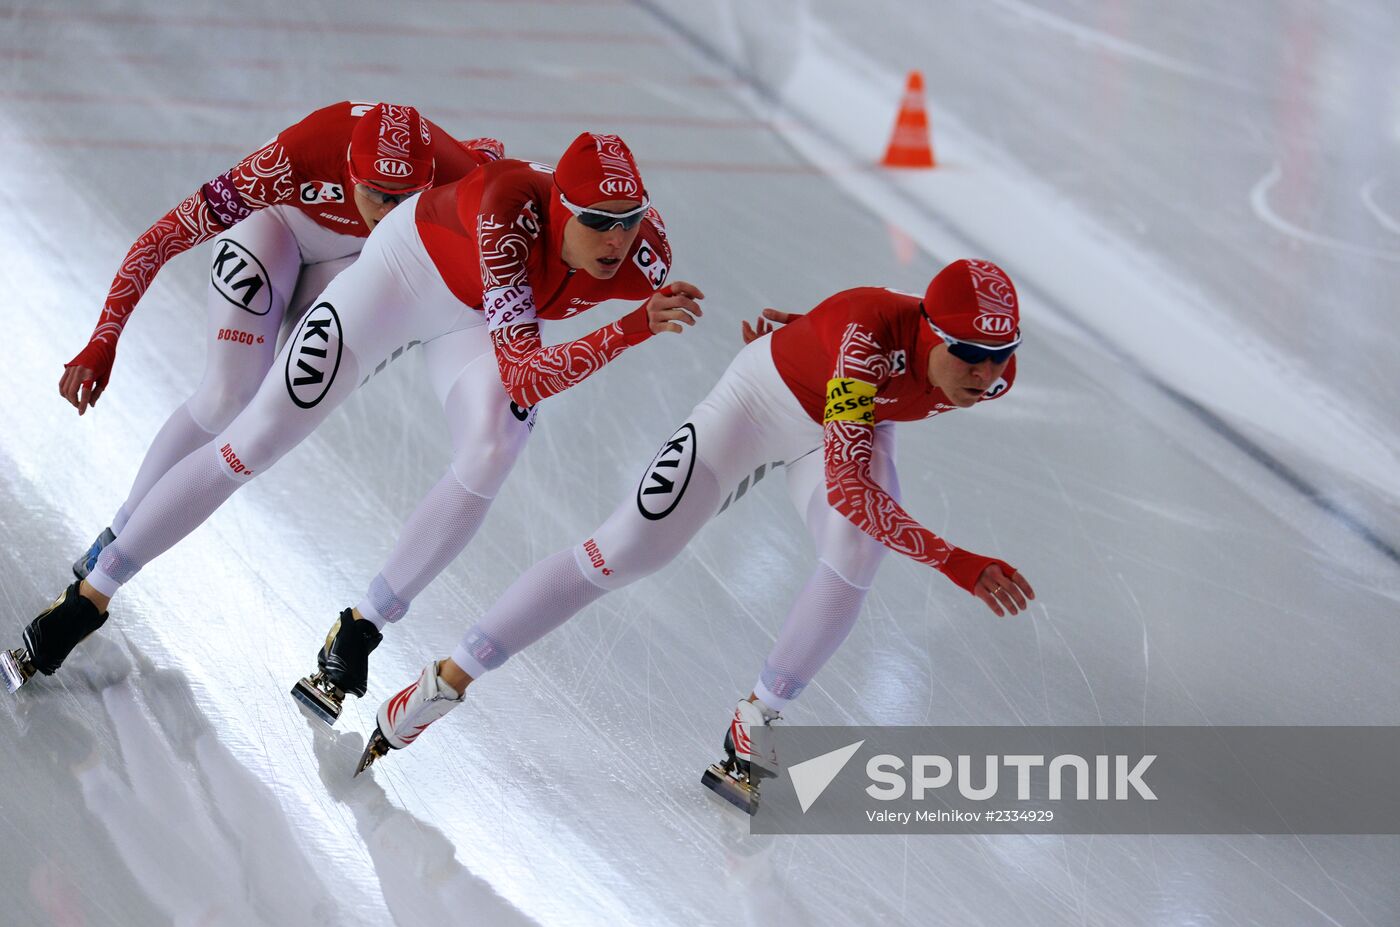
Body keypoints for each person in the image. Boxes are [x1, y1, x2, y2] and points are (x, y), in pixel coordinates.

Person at [1, 132, 703, 699]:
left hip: (477, 320)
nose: (616, 240)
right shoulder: (507, 212)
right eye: (597, 223)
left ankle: (361, 630)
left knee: (494, 446)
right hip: (401, 278)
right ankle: (90, 596)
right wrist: (633, 328)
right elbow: (526, 369)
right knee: (258, 435)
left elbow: (520, 369)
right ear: (557, 210)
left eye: (628, 220)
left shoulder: (646, 256)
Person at [352, 259, 1036, 815]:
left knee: (858, 552)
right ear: (928, 333)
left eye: (1000, 357)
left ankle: (757, 720)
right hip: (757, 406)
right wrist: (955, 561)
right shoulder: (872, 336)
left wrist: (809, 330)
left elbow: (851, 457)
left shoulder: (985, 375)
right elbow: (850, 483)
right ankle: (444, 681)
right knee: (620, 553)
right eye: (969, 355)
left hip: (840, 421)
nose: (985, 374)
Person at [64, 100, 504, 583]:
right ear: (349, 173)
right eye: (377, 194)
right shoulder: (294, 157)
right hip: (276, 224)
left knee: (287, 395)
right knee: (227, 396)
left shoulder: (456, 176)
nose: (390, 211)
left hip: (359, 258)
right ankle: (116, 538)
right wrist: (103, 339)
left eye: (406, 198)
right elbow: (163, 237)